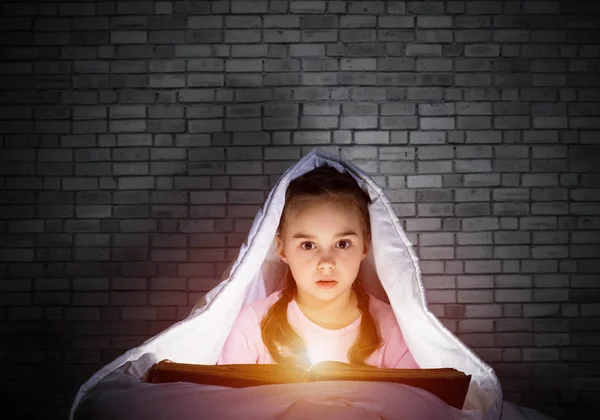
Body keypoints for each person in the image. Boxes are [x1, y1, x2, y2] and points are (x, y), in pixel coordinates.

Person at [217, 165, 419, 370]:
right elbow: (224, 397)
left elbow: (419, 398)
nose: (326, 263)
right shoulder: (251, 327)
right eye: (308, 245)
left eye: (342, 244)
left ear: (365, 246)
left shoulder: (394, 330)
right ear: (282, 249)